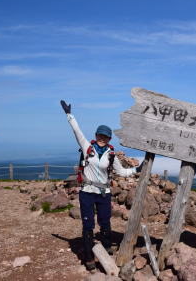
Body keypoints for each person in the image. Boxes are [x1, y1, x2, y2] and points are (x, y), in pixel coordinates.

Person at [60, 100, 142, 270]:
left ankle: (106, 248)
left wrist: (136, 169)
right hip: (87, 192)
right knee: (88, 225)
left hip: (104, 193)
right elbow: (77, 131)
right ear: (96, 135)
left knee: (105, 222)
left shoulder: (111, 155)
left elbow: (121, 172)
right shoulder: (87, 147)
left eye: (105, 136)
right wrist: (69, 115)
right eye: (100, 135)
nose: (102, 139)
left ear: (109, 138)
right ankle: (89, 257)